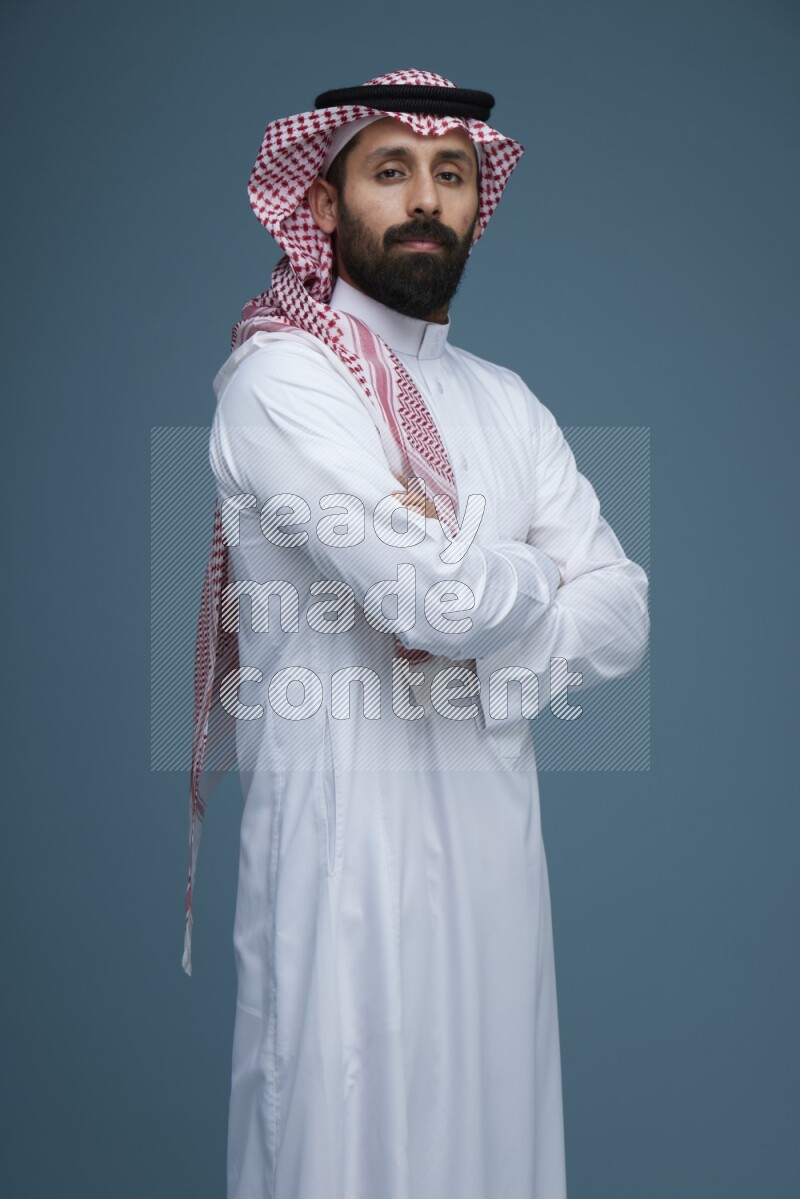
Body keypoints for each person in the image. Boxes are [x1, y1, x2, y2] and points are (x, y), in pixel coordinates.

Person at [184, 68, 650, 1199]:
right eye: (390, 171)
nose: (425, 198)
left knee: (495, 1148)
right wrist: (538, 575)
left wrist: (485, 613)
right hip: (342, 857)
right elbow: (429, 601)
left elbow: (623, 607)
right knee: (340, 1147)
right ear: (328, 201)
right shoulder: (280, 380)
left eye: (450, 174)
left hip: (494, 858)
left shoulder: (506, 400)